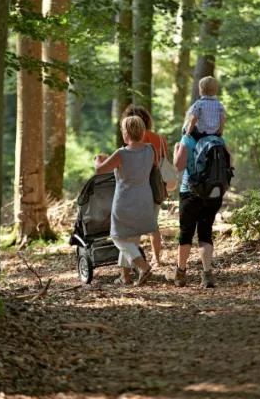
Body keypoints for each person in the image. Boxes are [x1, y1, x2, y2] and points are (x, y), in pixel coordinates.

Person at [94, 115, 156, 286]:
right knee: (131, 240)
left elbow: (100, 170)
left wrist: (98, 160)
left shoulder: (121, 153)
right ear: (143, 132)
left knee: (118, 238)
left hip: (125, 201)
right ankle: (126, 277)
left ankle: (143, 267)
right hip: (144, 198)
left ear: (125, 134)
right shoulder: (150, 150)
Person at [169, 133, 223, 288]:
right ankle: (207, 275)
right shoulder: (218, 139)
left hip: (190, 191)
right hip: (213, 193)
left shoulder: (188, 139)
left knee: (186, 232)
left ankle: (180, 273)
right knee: (205, 232)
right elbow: (229, 163)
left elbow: (178, 167)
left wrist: (176, 152)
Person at [121, 104, 169, 267]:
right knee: (153, 225)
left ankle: (134, 262)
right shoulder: (160, 138)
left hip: (137, 186)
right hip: (156, 186)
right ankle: (157, 259)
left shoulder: (133, 138)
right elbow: (163, 161)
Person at [183, 76, 226, 142]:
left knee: (185, 136)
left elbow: (193, 119)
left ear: (201, 90)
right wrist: (220, 132)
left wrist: (188, 132)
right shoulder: (219, 105)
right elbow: (222, 119)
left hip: (200, 134)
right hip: (215, 134)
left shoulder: (199, 104)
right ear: (215, 90)